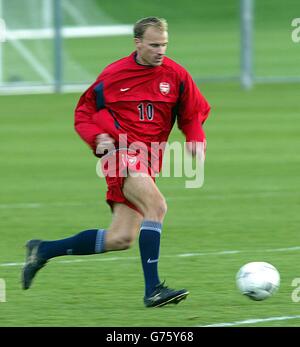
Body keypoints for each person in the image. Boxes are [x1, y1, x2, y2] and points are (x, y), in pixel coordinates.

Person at [21, 17, 210, 308]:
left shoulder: (176, 75)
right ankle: (154, 290)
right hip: (120, 155)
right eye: (154, 45)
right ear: (138, 43)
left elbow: (192, 112)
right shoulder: (113, 76)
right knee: (157, 207)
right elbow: (84, 112)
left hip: (149, 161)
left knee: (120, 238)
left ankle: (43, 250)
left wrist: (195, 138)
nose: (161, 51)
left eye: (164, 45)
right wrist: (98, 137)